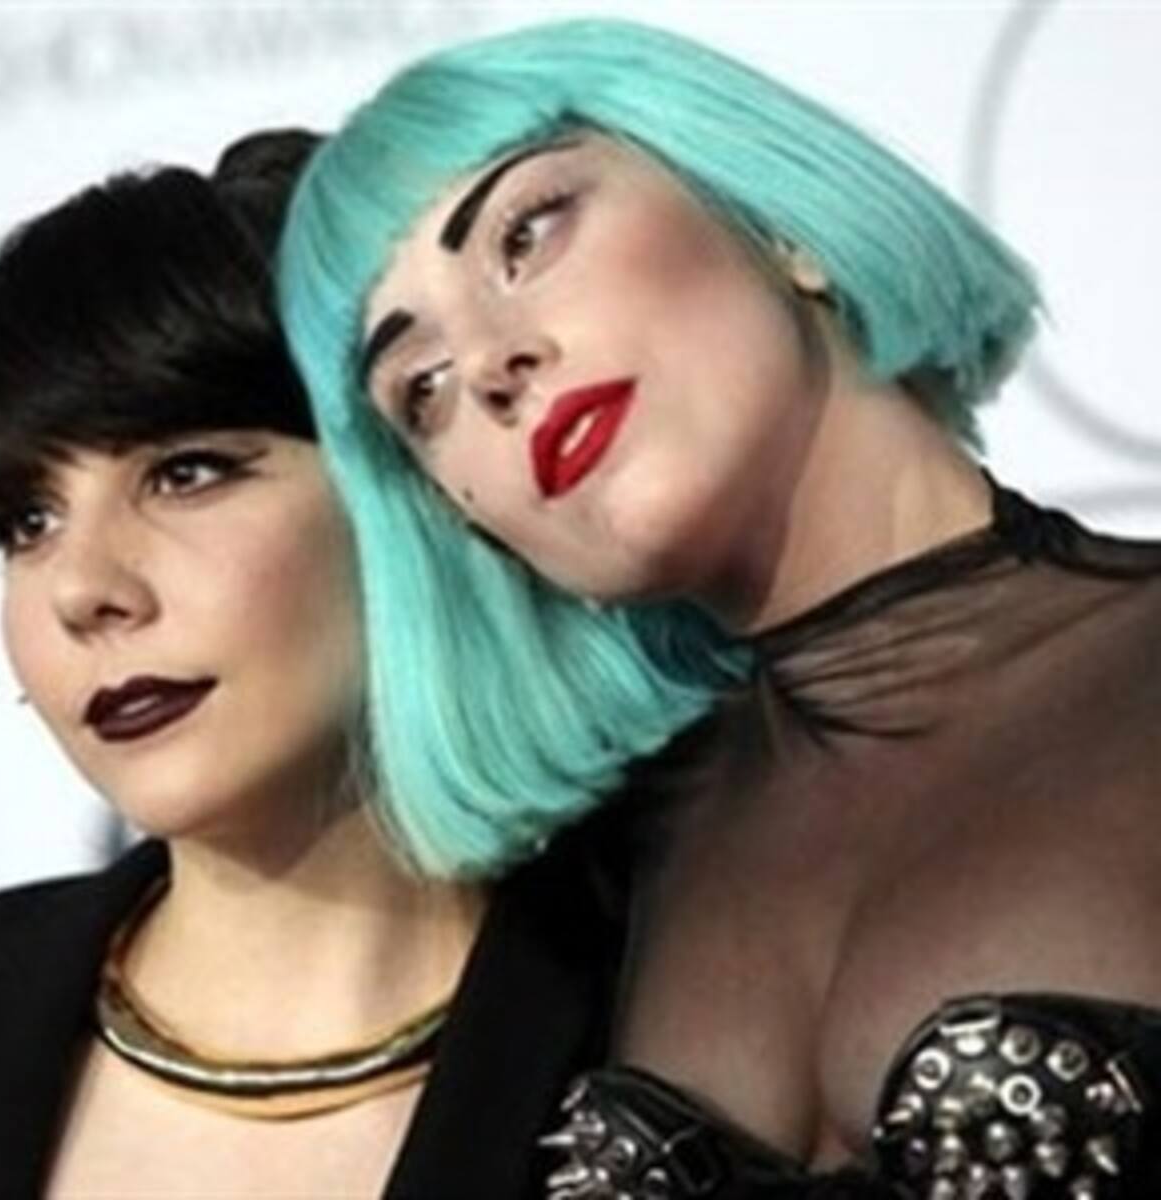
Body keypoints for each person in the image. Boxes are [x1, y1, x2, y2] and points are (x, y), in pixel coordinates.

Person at [278, 18, 1161, 1199]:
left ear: (777, 226)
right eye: (419, 389)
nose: (486, 366)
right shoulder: (583, 893)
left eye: (525, 235)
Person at [0, 130, 636, 1200]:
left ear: (418, 485)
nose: (82, 588)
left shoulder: (690, 1014)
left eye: (186, 474)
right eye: (28, 520)